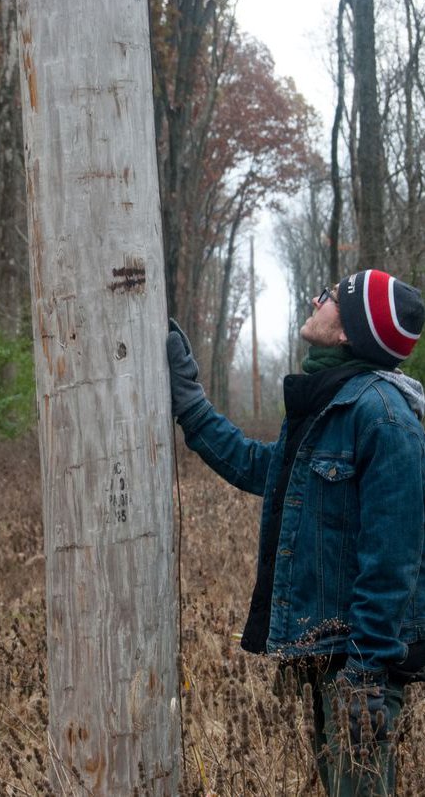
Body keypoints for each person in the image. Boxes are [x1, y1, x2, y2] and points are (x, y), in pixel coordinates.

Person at [167, 269, 425, 796]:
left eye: (331, 296)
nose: (317, 297)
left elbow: (393, 561)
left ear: (349, 331)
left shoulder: (384, 417)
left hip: (358, 668)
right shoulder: (331, 403)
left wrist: (365, 676)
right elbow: (264, 469)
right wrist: (191, 405)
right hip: (329, 654)